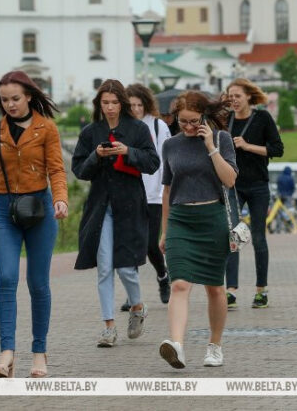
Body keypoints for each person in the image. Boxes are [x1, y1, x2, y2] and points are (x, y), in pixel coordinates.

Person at [0, 71, 68, 378]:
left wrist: (61, 199)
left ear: (29, 96)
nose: (10, 105)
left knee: (38, 283)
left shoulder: (47, 129)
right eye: (4, 100)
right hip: (4, 211)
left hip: (40, 210)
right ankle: (6, 353)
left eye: (15, 98)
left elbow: (56, 170)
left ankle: (39, 352)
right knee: (6, 278)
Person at [72, 79, 160, 348]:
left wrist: (128, 151)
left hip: (130, 205)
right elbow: (79, 169)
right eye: (105, 103)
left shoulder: (138, 129)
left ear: (122, 103)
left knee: (126, 268)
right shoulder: (90, 132)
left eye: (114, 102)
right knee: (104, 267)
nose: (110, 107)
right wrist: (96, 155)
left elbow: (153, 163)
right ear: (99, 104)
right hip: (101, 207)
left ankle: (138, 307)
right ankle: (108, 327)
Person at [157, 90, 238, 369]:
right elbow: (167, 191)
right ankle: (177, 346)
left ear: (204, 117)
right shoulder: (170, 145)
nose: (189, 127)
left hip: (212, 218)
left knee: (215, 288)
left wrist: (211, 147)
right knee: (179, 284)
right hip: (180, 219)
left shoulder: (221, 139)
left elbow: (230, 180)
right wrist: (165, 231)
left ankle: (215, 346)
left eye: (194, 121)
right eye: (183, 122)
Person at [223, 78, 284, 309]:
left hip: (258, 185)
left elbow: (277, 149)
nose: (234, 100)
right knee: (233, 236)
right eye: (231, 96)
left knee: (258, 236)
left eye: (238, 96)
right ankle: (231, 290)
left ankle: (261, 290)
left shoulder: (262, 118)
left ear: (249, 96)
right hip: (233, 185)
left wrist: (247, 146)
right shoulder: (226, 119)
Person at [122, 83, 171, 308]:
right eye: (131, 105)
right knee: (131, 244)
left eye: (139, 105)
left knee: (150, 244)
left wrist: (164, 190)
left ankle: (163, 276)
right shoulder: (123, 126)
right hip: (130, 193)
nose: (135, 109)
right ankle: (132, 294)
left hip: (154, 194)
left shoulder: (159, 126)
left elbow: (165, 159)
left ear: (146, 104)